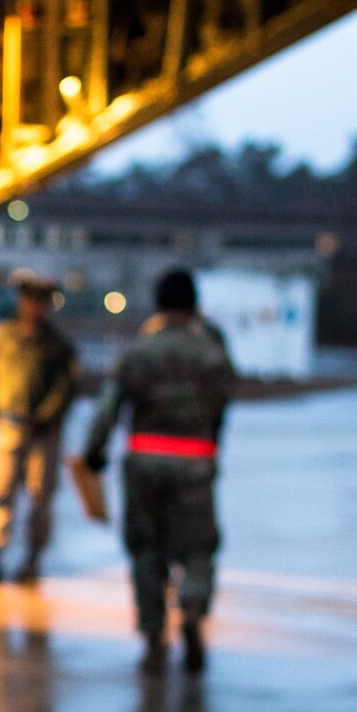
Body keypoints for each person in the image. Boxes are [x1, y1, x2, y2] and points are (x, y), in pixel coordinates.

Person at [79, 268, 235, 675]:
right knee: (198, 549)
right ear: (195, 304)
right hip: (195, 461)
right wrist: (210, 446)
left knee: (147, 550)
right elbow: (222, 405)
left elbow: (108, 407)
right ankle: (193, 615)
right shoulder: (213, 352)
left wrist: (94, 453)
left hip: (145, 462)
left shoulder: (139, 351)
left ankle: (153, 636)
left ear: (158, 304)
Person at [0, 269, 79, 584]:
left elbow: (66, 388)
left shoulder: (59, 345)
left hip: (44, 435)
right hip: (9, 427)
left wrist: (45, 417)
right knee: (0, 494)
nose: (36, 308)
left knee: (40, 500)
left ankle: (33, 559)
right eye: (31, 301)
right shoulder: (2, 336)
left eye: (42, 303)